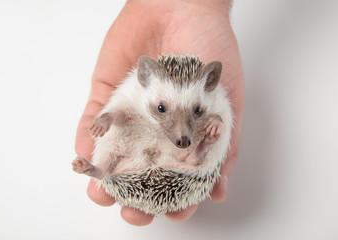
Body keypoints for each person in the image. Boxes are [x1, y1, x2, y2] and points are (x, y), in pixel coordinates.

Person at [75, 0, 244, 226]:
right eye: (162, 109)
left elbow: (216, 117)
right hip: (153, 157)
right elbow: (122, 111)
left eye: (196, 110)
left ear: (210, 83)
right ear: (144, 80)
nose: (182, 133)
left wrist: (215, 120)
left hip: (174, 164)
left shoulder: (215, 99)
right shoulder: (134, 90)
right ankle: (99, 170)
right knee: (115, 132)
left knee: (212, 131)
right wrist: (109, 118)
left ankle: (194, 154)